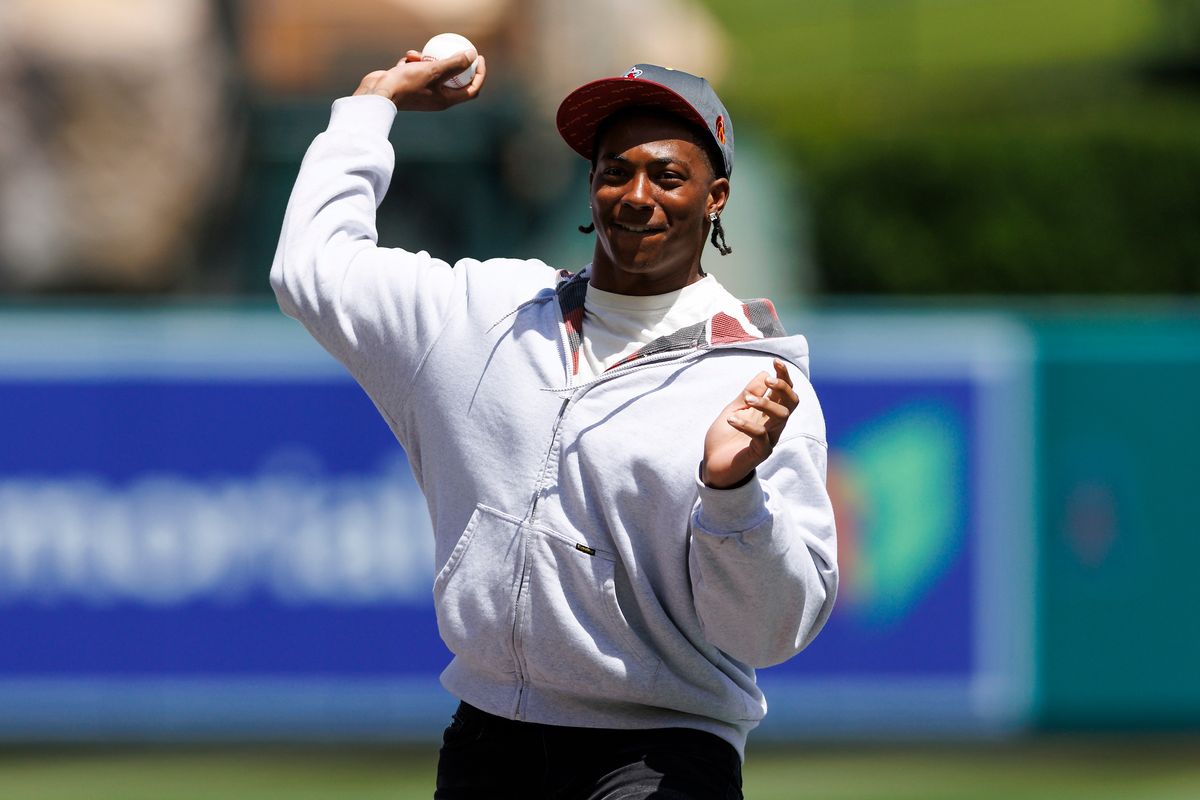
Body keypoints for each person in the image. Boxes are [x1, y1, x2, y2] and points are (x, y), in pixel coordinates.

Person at [271, 47, 838, 800]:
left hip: (663, 752)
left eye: (668, 175)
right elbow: (311, 269)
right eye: (614, 170)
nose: (637, 195)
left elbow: (774, 631)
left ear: (717, 197)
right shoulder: (482, 313)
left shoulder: (755, 382)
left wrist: (732, 493)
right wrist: (373, 104)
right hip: (488, 740)